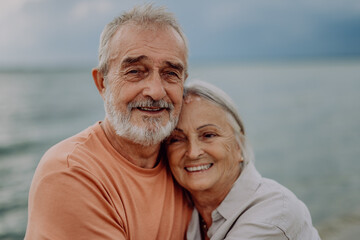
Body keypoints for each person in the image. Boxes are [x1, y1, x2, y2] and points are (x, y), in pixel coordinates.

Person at [25, 4, 193, 240]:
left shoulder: (189, 161)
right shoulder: (69, 172)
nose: (156, 91)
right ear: (102, 83)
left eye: (170, 74)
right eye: (135, 71)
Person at [166, 81, 321, 240]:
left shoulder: (273, 213)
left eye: (208, 135)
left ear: (239, 145)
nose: (193, 152)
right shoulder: (184, 208)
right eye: (177, 139)